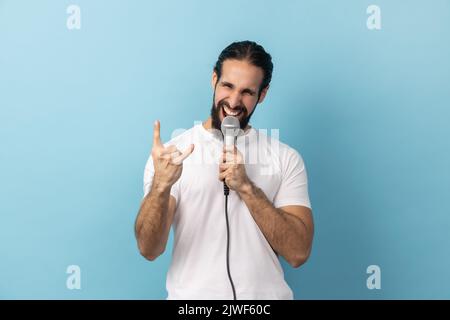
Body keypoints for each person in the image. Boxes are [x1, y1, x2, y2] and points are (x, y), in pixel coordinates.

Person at [134, 41, 314, 300]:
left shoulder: (286, 158)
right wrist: (161, 187)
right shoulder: (172, 154)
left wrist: (246, 188)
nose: (234, 101)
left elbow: (298, 253)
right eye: (227, 86)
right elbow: (148, 249)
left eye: (247, 92)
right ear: (214, 79)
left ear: (262, 95)